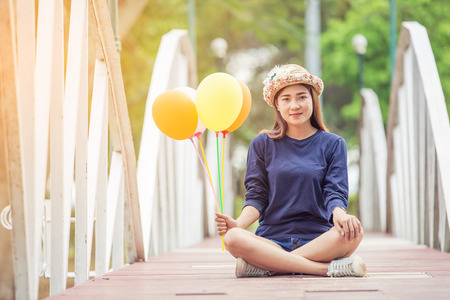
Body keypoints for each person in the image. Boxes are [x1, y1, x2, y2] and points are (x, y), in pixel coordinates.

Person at [215, 64, 366, 278]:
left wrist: (341, 214)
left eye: (301, 97)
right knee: (232, 238)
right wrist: (236, 225)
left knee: (354, 231)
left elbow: (335, 191)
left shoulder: (333, 144)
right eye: (286, 99)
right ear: (277, 104)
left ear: (313, 100)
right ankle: (325, 269)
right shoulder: (262, 144)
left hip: (318, 241)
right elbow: (257, 197)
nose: (294, 105)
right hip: (271, 241)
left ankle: (268, 266)